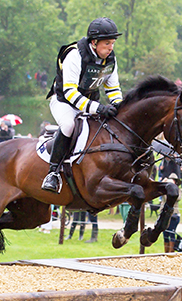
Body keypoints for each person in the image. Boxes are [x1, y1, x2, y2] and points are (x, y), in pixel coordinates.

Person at [42, 17, 123, 193]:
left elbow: (113, 89)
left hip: (89, 103)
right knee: (69, 125)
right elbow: (70, 92)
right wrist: (99, 108)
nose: (111, 48)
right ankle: (53, 172)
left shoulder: (110, 59)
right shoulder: (74, 55)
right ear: (94, 42)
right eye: (107, 43)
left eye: (113, 43)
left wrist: (119, 106)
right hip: (64, 102)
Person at [162, 173, 181, 253]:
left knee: (171, 232)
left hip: (174, 214)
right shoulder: (164, 190)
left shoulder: (179, 190)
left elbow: (177, 198)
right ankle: (166, 252)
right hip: (164, 213)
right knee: (165, 234)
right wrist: (163, 185)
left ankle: (171, 251)